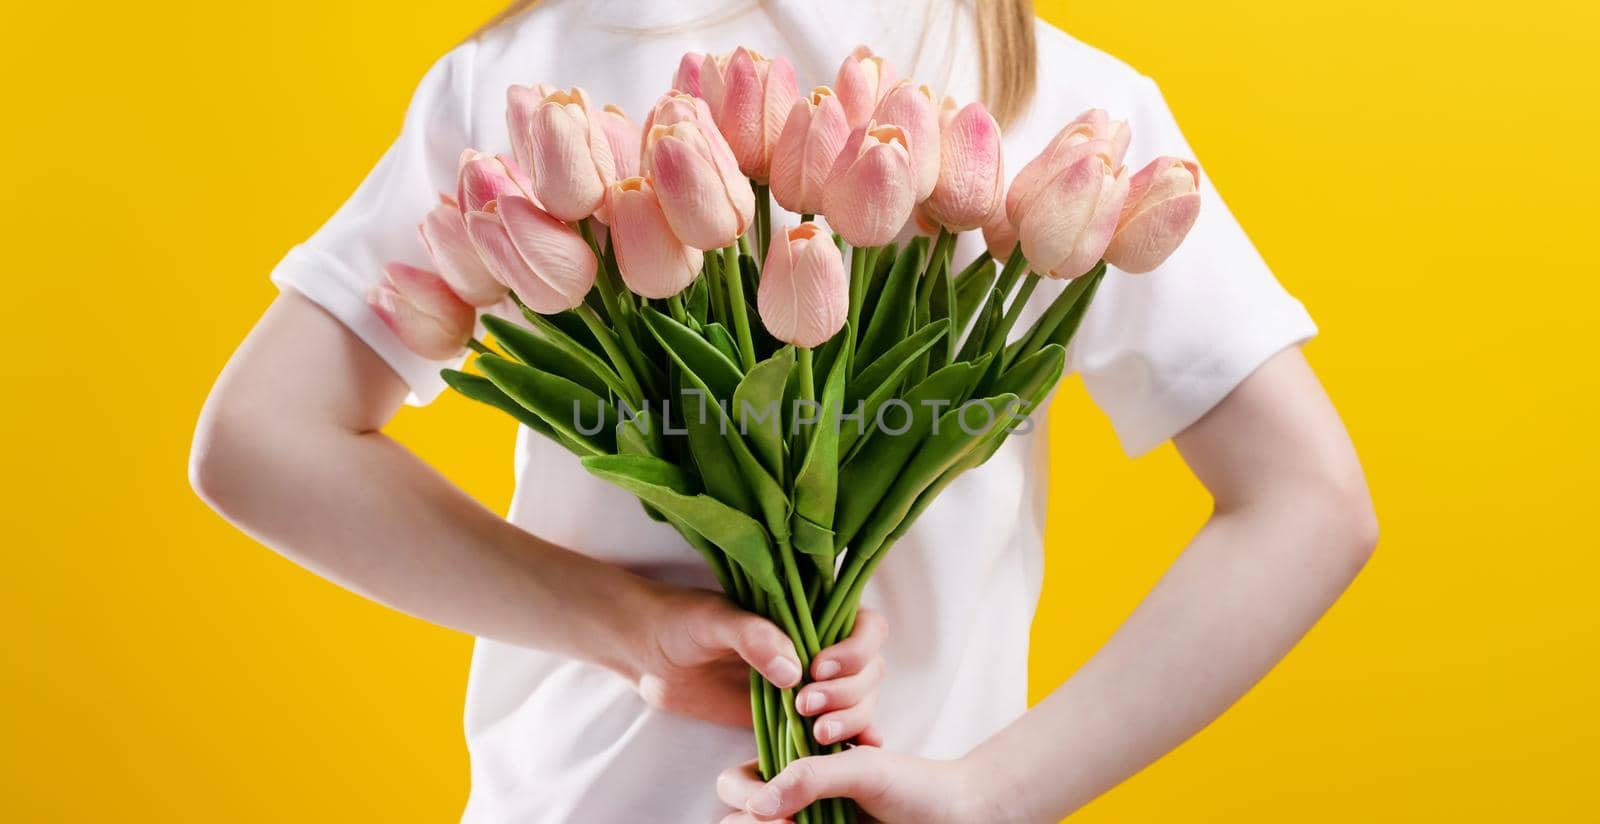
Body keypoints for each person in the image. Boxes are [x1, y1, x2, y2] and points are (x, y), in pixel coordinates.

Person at [189, 0, 1378, 821]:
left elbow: (259, 438)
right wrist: (992, 791)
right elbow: (1309, 501)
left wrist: (624, 626)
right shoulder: (1063, 102)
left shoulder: (533, 72)